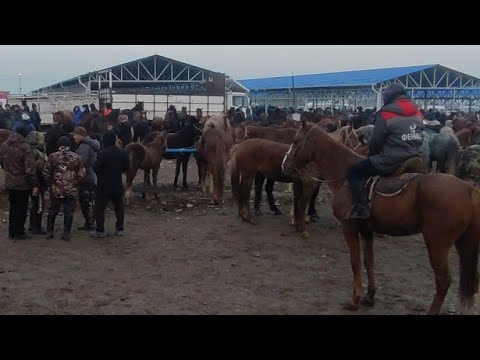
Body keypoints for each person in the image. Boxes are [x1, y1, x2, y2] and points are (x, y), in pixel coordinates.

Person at [346, 83, 425, 220]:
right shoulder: (418, 113)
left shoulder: (386, 114)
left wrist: (371, 154)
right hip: (415, 156)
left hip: (391, 161)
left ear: (388, 97)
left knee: (353, 171)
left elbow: (376, 143)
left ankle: (362, 208)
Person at [43, 136, 85, 241]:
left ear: (59, 145)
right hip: (71, 189)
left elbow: (46, 172)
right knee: (69, 211)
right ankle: (66, 233)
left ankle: (49, 232)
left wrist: (50, 183)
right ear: (69, 146)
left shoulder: (53, 156)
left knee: (52, 210)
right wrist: (76, 182)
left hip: (56, 189)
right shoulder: (76, 157)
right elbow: (82, 173)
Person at [0, 127, 38, 239]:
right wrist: (34, 183)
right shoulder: (25, 147)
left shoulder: (4, 145)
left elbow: (2, 161)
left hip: (9, 181)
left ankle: (11, 231)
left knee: (13, 207)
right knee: (21, 208)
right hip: (22, 183)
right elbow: (30, 169)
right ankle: (19, 231)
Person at [93, 130, 129, 238]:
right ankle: (120, 229)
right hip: (117, 183)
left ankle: (100, 230)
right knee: (119, 207)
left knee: (99, 208)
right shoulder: (122, 152)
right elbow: (126, 167)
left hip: (103, 185)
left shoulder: (102, 153)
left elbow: (96, 168)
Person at [74, 127, 100, 231]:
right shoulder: (91, 145)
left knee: (86, 201)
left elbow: (80, 162)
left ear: (81, 135)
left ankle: (90, 223)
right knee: (89, 200)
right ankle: (90, 222)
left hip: (86, 177)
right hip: (92, 176)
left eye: (75, 134)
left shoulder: (85, 147)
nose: (73, 136)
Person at [26, 131, 48, 234]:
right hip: (38, 182)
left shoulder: (28, 151)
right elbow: (39, 169)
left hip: (32, 182)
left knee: (34, 204)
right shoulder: (37, 154)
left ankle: (32, 225)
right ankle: (36, 227)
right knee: (38, 205)